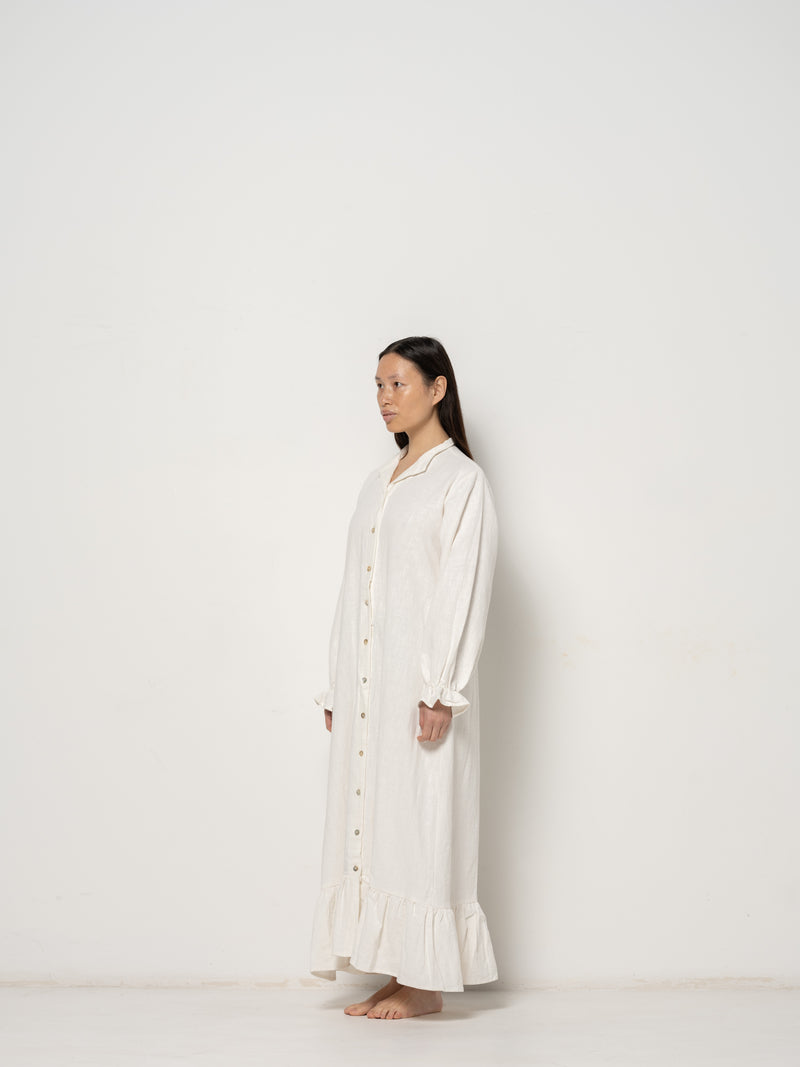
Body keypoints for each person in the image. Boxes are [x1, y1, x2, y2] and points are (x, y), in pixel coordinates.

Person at [310, 336, 499, 1020]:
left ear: (438, 388)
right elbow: (352, 586)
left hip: (418, 685)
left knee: (422, 817)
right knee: (377, 818)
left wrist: (440, 686)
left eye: (398, 384)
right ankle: (398, 970)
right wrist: (339, 682)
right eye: (378, 386)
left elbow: (460, 587)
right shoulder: (379, 481)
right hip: (369, 684)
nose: (385, 398)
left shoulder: (461, 481)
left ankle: (425, 983)